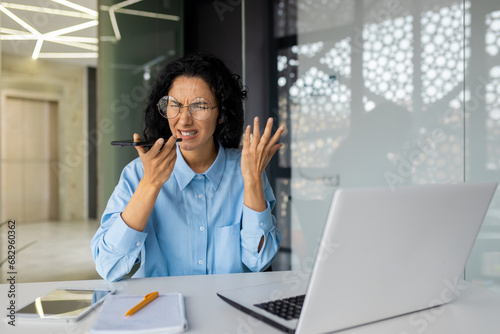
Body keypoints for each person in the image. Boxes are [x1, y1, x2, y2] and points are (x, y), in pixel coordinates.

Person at [91, 53, 284, 281]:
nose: (183, 120)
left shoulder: (247, 169)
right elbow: (108, 265)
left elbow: (259, 261)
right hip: (159, 307)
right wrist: (150, 185)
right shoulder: (137, 174)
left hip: (225, 309)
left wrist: (252, 180)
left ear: (221, 113)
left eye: (199, 106)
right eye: (175, 106)